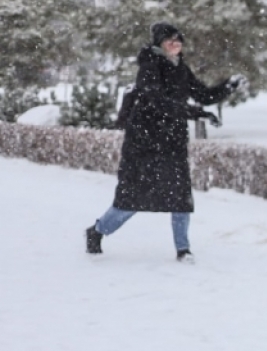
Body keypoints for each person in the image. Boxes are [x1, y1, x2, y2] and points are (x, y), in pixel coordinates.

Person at [85, 23, 242, 263]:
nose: (175, 44)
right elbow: (157, 102)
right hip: (144, 143)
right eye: (170, 40)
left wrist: (227, 88)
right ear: (159, 43)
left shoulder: (181, 68)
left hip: (172, 142)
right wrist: (195, 113)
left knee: (180, 198)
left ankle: (183, 249)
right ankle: (97, 231)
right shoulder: (150, 67)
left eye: (178, 40)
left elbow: (202, 94)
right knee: (132, 200)